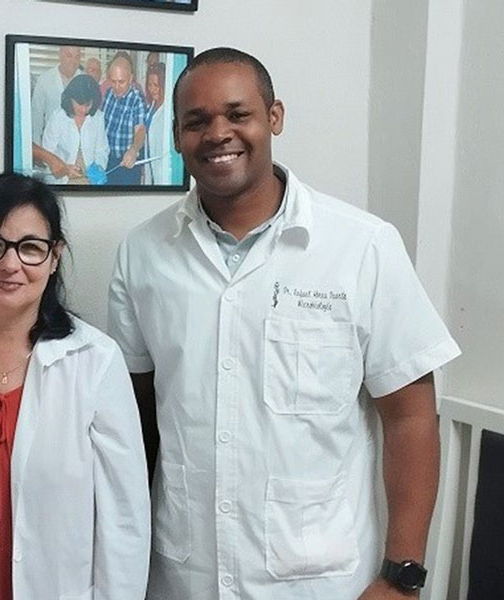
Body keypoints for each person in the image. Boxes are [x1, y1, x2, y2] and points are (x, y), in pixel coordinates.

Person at [108, 47, 461, 600]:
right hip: (183, 576)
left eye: (237, 114)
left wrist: (402, 575)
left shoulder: (360, 246)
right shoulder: (144, 253)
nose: (217, 134)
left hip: (323, 581)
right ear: (176, 137)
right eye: (195, 122)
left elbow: (411, 417)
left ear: (274, 117)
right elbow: (136, 419)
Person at [0, 173, 150, 599]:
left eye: (31, 248)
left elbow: (124, 523)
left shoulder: (95, 361)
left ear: (54, 257)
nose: (10, 264)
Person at [41, 74, 109, 184]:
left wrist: (97, 169)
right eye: (79, 104)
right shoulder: (58, 117)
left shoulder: (97, 118)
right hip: (62, 179)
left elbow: (102, 150)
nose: (83, 109)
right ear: (70, 98)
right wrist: (64, 168)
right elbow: (47, 153)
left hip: (89, 179)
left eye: (88, 105)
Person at [102, 53, 147, 185]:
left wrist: (133, 150)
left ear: (131, 78)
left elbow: (140, 130)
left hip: (127, 163)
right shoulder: (109, 93)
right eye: (113, 81)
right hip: (107, 160)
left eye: (121, 82)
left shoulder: (137, 100)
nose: (116, 86)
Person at [30, 45, 80, 145]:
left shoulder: (84, 80)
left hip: (77, 146)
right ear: (60, 55)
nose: (73, 61)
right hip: (50, 145)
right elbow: (36, 118)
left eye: (77, 57)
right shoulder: (45, 79)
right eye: (69, 56)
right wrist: (37, 149)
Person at [142, 62, 166, 184]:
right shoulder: (150, 107)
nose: (152, 89)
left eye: (156, 85)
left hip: (161, 174)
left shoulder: (168, 113)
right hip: (150, 172)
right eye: (149, 85)